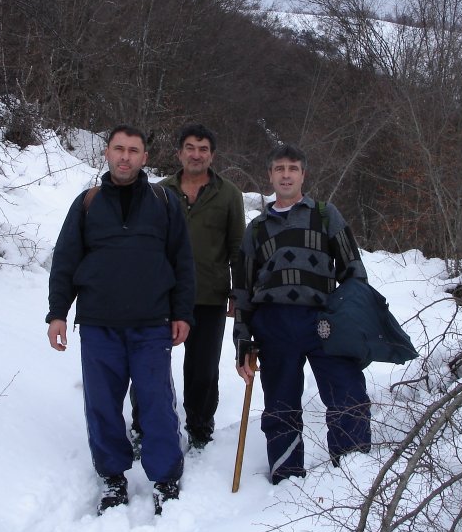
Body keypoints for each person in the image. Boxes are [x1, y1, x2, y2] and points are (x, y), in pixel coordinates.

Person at [46, 125, 195, 515]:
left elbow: (182, 262)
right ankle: (113, 477)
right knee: (102, 405)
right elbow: (66, 260)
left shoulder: (164, 201)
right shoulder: (87, 203)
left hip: (151, 324)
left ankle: (165, 478)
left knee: (156, 402)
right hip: (99, 323)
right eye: (118, 149)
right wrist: (57, 312)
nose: (125, 157)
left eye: (133, 150)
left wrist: (182, 312)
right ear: (107, 154)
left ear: (145, 157)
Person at [232, 143, 371, 484]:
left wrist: (352, 318)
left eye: (292, 169)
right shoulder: (257, 229)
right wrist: (242, 341)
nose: (285, 175)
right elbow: (243, 289)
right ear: (270, 175)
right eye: (279, 169)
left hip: (323, 320)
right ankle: (287, 474)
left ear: (303, 175)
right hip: (274, 323)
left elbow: (353, 270)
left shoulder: (325, 215)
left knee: (346, 390)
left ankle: (353, 471)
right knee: (280, 401)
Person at [149, 124, 245, 450]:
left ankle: (200, 429)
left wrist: (238, 292)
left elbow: (237, 248)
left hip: (210, 295)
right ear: (179, 153)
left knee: (202, 370)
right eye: (190, 147)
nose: (196, 154)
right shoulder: (159, 191)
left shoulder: (229, 194)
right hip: (164, 296)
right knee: (150, 364)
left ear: (212, 155)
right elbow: (147, 246)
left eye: (203, 149)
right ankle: (144, 425)